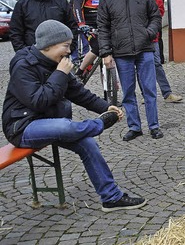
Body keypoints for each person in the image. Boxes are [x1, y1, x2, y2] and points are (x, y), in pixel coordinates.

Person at [2, 20, 146, 212]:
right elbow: (39, 101)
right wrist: (60, 73)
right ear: (49, 44)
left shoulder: (58, 63)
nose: (69, 51)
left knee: (88, 143)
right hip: (22, 127)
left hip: (49, 122)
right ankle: (98, 126)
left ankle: (111, 198)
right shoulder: (24, 65)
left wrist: (107, 107)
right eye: (65, 46)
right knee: (65, 126)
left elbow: (79, 93)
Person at [97, 0, 163, 141]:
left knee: (149, 90)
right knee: (128, 92)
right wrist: (106, 53)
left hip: (145, 50)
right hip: (121, 52)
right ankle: (134, 127)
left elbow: (156, 17)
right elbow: (102, 27)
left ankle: (154, 126)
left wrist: (148, 33)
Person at [136, 0, 183, 103]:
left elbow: (159, 11)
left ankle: (167, 93)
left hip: (152, 36)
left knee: (156, 64)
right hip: (137, 37)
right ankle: (146, 95)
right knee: (140, 66)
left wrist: (150, 27)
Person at [72, 0, 106, 76]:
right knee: (97, 46)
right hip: (87, 26)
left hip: (101, 25)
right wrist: (81, 24)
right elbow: (76, 7)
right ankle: (80, 72)